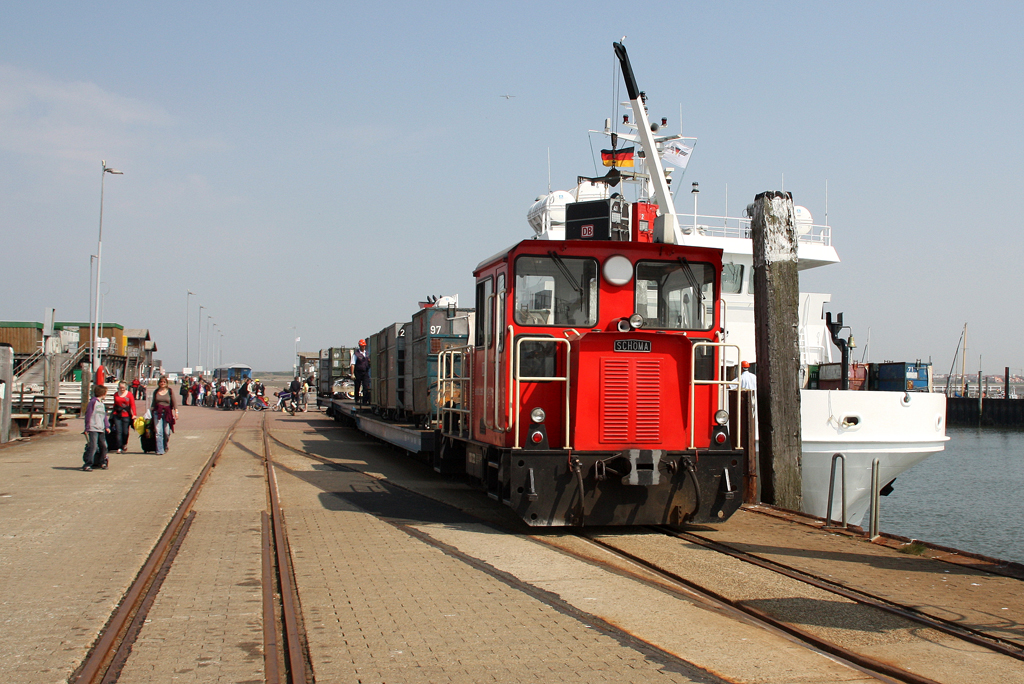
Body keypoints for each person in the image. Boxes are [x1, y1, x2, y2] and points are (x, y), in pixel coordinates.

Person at [82, 385, 111, 471]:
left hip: (101, 428)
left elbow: (104, 416)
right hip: (93, 428)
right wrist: (87, 428)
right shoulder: (93, 402)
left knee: (104, 446)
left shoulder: (102, 404)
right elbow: (88, 415)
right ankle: (88, 464)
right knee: (93, 446)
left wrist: (107, 426)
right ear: (102, 394)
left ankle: (102, 462)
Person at [152, 375, 178, 455]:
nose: (162, 383)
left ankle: (165, 445)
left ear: (166, 383)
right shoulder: (156, 392)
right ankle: (160, 450)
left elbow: (174, 403)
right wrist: (149, 414)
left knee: (166, 432)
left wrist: (176, 413)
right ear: (159, 383)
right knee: (158, 432)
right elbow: (153, 404)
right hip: (157, 413)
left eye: (164, 382)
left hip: (167, 413)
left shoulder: (170, 391)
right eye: (161, 382)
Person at [111, 381, 137, 454]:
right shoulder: (116, 394)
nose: (121, 389)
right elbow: (115, 404)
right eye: (120, 387)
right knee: (118, 431)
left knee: (125, 432)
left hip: (126, 415)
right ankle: (118, 447)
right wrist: (112, 414)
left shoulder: (129, 394)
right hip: (117, 414)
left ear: (125, 387)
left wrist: (134, 414)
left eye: (123, 387)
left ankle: (124, 444)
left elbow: (132, 405)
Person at [351, 339, 371, 405]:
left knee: (366, 386)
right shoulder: (356, 354)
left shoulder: (367, 353)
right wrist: (352, 374)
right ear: (359, 346)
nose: (363, 347)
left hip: (365, 372)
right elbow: (353, 364)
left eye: (364, 346)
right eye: (362, 346)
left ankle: (365, 401)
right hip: (358, 372)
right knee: (357, 386)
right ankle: (356, 399)